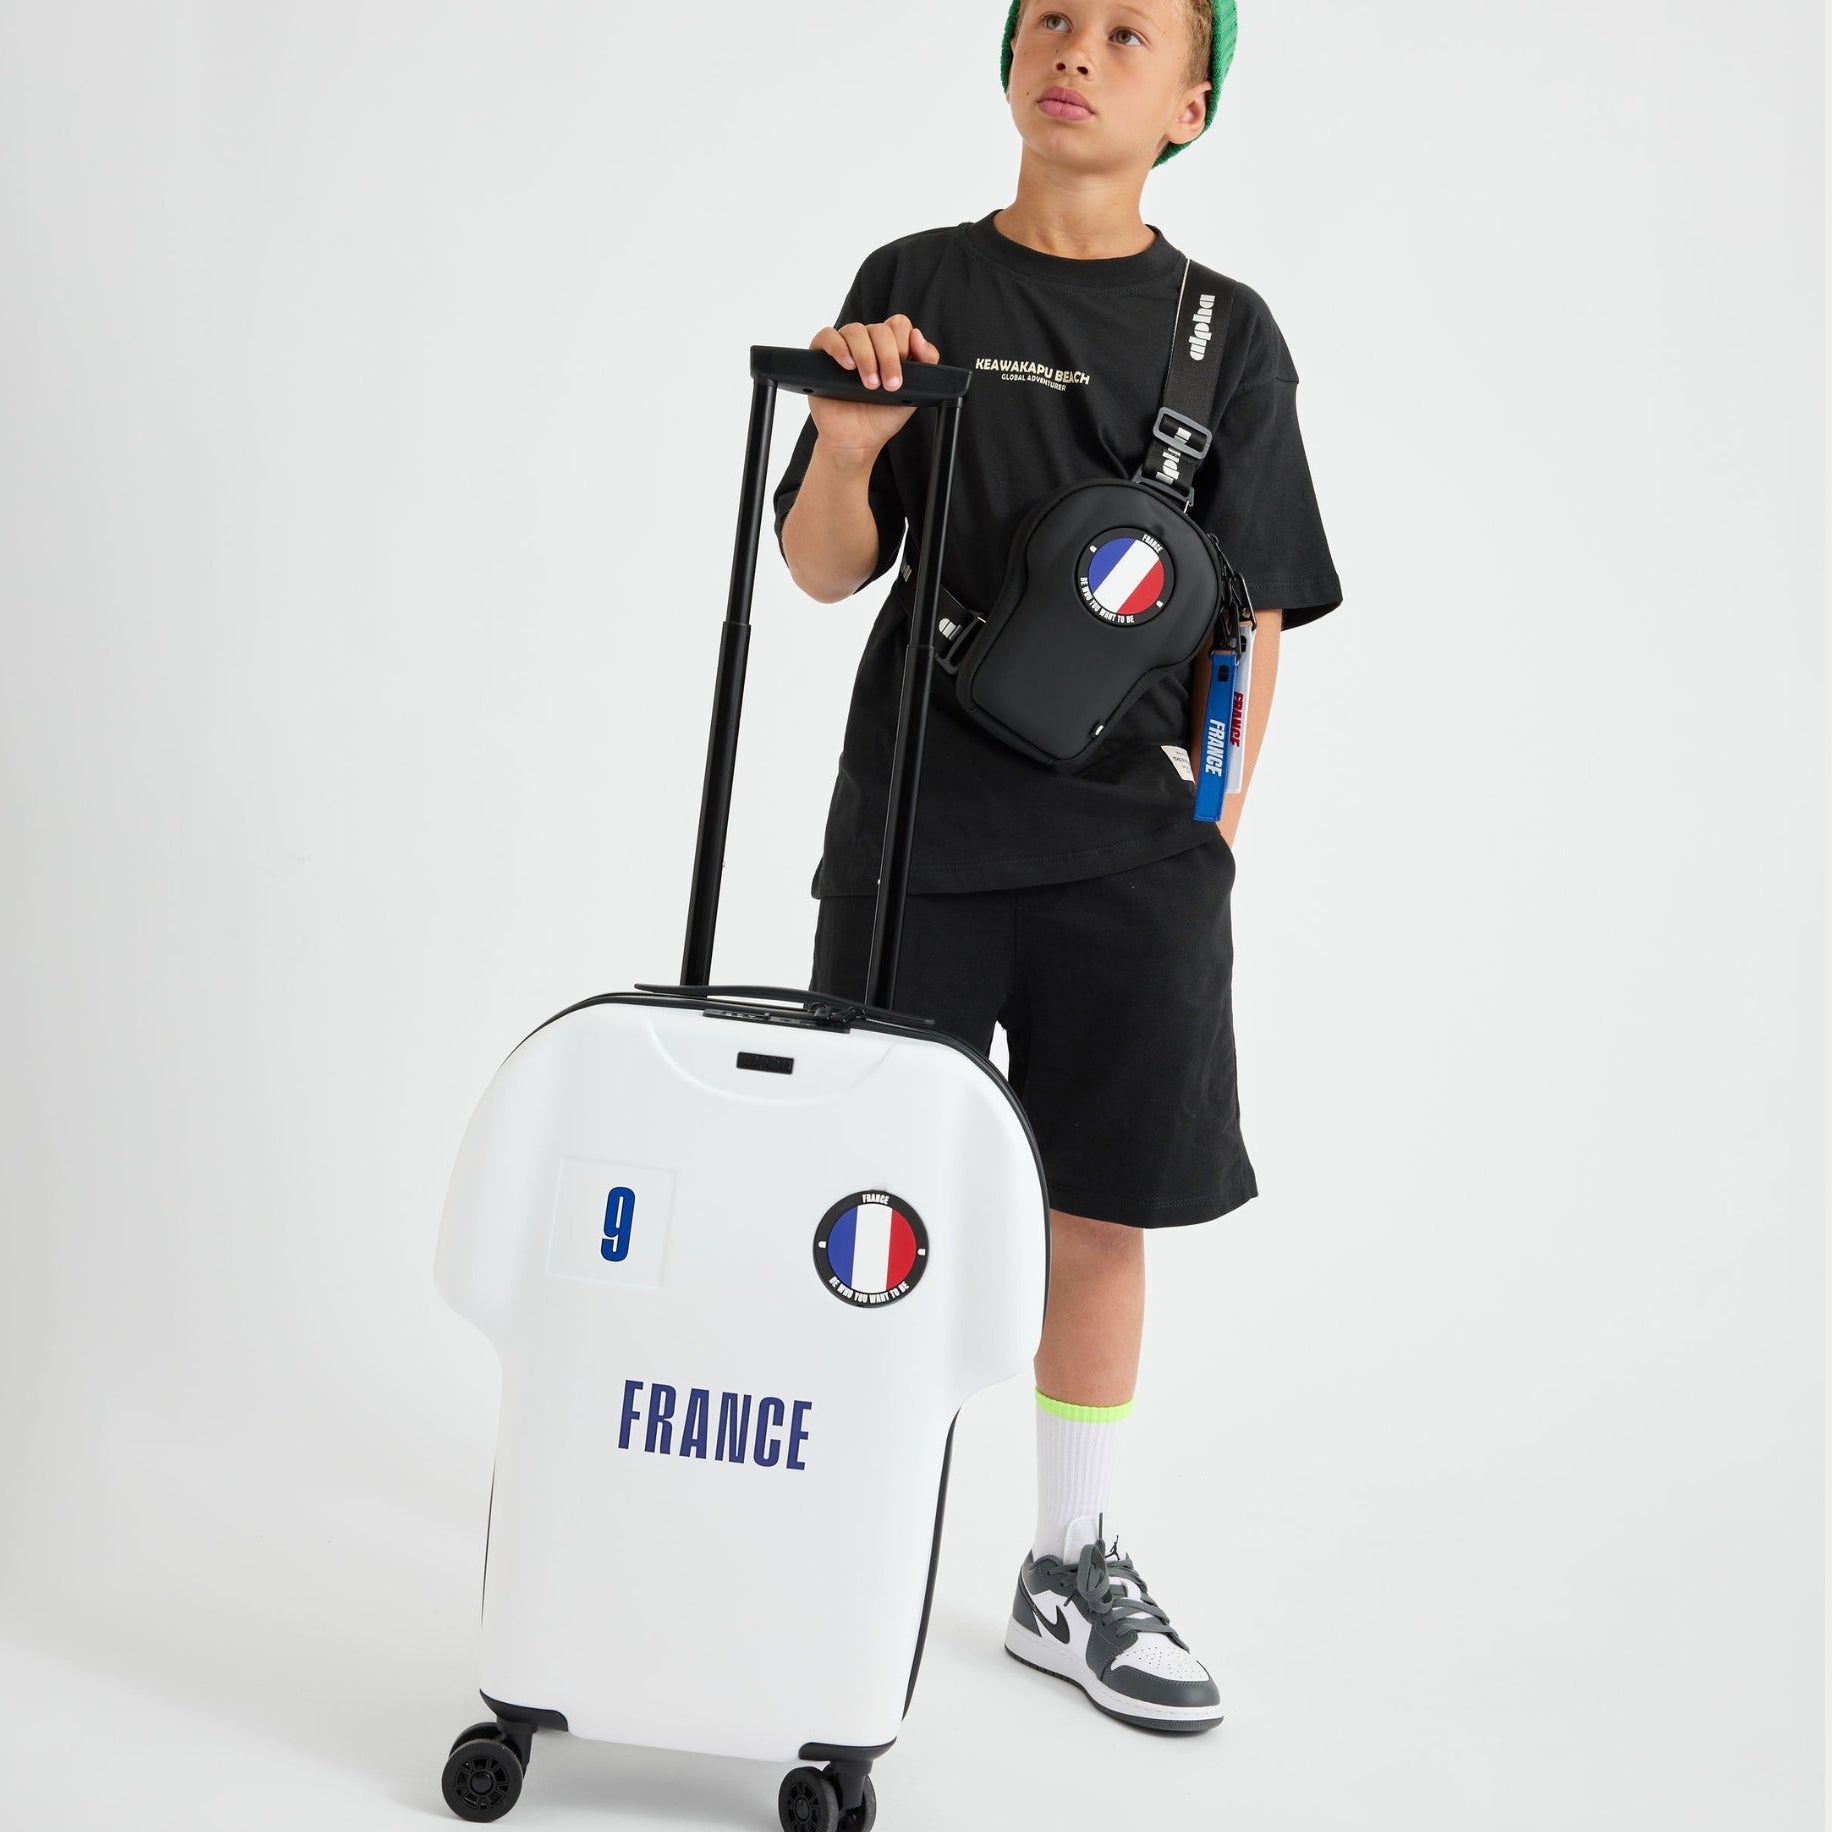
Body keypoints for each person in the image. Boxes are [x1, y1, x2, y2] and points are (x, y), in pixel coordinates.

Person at [771, 0, 1341, 1735]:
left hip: (1133, 863)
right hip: (917, 836)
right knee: (870, 1214)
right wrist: (851, 445)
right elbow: (822, 569)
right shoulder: (917, 281)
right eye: (1051, 23)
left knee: (1099, 1212)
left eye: (1127, 34)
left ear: (1191, 103)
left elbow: (1253, 615)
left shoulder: (1226, 332)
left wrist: (1209, 838)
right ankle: (828, 1537)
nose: (1077, 52)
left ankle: (1068, 1569)